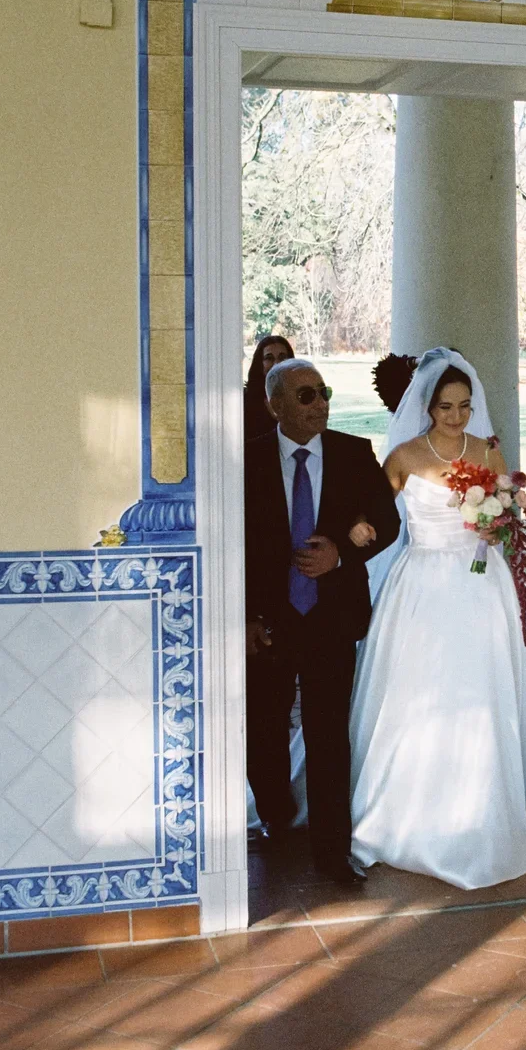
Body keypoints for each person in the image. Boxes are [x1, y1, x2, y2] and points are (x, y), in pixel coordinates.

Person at [348, 348, 526, 889]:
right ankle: (404, 812)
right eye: (446, 407)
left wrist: (496, 522)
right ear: (427, 407)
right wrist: (356, 527)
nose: (457, 416)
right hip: (421, 585)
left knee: (478, 688)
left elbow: (509, 512)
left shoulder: (488, 451)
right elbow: (372, 510)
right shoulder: (404, 457)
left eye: (464, 406)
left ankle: (482, 806)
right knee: (418, 690)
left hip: (480, 583)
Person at [245, 357, 400, 884]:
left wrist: (341, 553)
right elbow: (234, 545)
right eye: (306, 395)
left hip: (331, 618)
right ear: (276, 406)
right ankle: (275, 813)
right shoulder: (247, 460)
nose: (320, 404)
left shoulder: (354, 454)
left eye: (324, 392)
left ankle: (333, 854)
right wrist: (246, 617)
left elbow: (387, 521)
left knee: (329, 735)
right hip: (269, 622)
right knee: (264, 730)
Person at [243, 335, 296, 846]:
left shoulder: (343, 449)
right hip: (266, 605)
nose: (274, 363)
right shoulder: (245, 445)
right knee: (266, 718)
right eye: (268, 358)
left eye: (283, 358)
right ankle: (274, 814)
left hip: (318, 606)